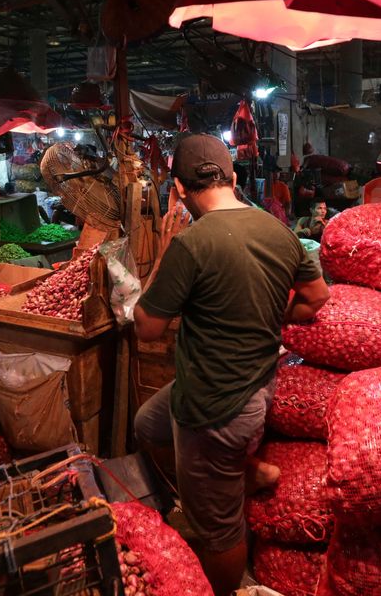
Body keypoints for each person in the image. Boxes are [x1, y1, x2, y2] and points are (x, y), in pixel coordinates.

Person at [133, 133, 329, 596]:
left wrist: (164, 248)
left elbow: (147, 327)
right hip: (255, 389)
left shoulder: (191, 243)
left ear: (178, 190)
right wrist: (268, 314)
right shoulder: (276, 230)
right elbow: (317, 297)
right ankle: (237, 473)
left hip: (213, 408)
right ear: (234, 178)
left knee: (219, 532)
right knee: (149, 424)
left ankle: (224, 583)